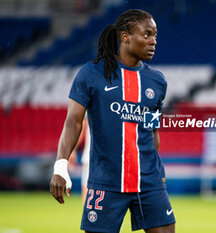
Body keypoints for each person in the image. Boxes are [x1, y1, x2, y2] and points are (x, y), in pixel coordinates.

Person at [50, 9, 175, 233]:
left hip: (149, 183)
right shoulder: (91, 74)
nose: (153, 41)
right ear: (125, 36)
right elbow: (73, 122)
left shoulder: (157, 82)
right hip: (106, 183)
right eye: (146, 35)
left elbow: (152, 131)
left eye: (155, 35)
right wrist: (61, 166)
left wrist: (158, 174)